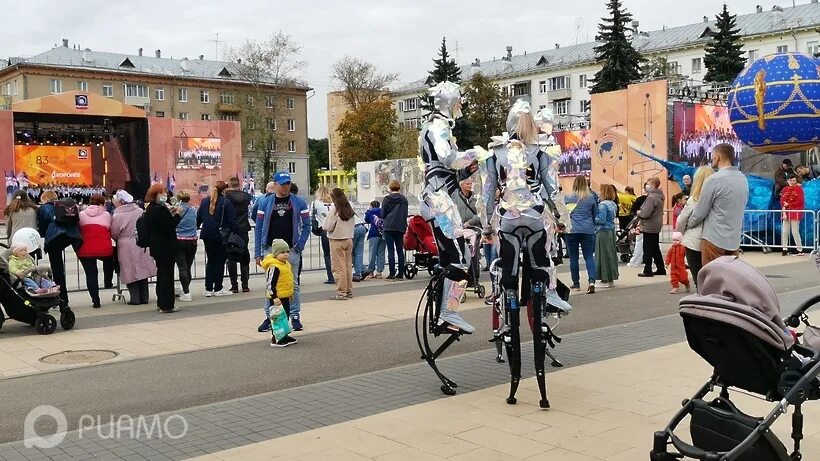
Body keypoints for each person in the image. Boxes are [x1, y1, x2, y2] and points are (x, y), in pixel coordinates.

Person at [254, 171, 310, 332]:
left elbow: (307, 225)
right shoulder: (265, 202)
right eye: (282, 184)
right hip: (270, 250)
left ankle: (295, 316)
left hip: (291, 250)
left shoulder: (298, 201)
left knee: (293, 284)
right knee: (271, 285)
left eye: (288, 184)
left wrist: (299, 246)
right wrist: (257, 252)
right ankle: (269, 317)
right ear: (275, 184)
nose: (286, 187)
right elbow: (258, 227)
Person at [686, 143, 749, 266]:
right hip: (734, 240)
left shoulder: (713, 180)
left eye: (713, 156)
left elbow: (700, 212)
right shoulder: (743, 179)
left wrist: (688, 224)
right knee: (729, 276)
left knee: (712, 276)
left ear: (718, 156)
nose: (712, 159)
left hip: (714, 239)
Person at [36, 190, 83, 307]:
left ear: (45, 199)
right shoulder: (64, 207)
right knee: (62, 268)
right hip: (73, 236)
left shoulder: (44, 207)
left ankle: (61, 299)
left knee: (57, 270)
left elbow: (42, 228)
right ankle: (64, 299)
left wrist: (44, 235)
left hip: (55, 238)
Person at [110, 190, 156, 305]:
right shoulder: (140, 211)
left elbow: (114, 233)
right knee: (142, 269)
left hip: (125, 244)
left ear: (121, 202)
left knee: (129, 270)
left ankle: (135, 298)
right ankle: (144, 297)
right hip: (141, 242)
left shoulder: (117, 215)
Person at [144, 184, 182, 313]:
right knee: (167, 275)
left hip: (156, 245)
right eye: (162, 192)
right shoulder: (160, 209)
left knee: (162, 273)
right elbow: (168, 226)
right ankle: (167, 305)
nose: (165, 195)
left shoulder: (151, 208)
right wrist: (178, 215)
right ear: (156, 195)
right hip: (166, 245)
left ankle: (161, 302)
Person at [675, 166, 715, 288]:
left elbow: (681, 220)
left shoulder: (694, 199)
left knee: (699, 279)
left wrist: (683, 231)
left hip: (694, 241)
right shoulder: (718, 199)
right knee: (712, 278)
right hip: (714, 240)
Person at [197, 181, 235, 297]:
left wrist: (197, 227)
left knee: (210, 260)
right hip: (220, 235)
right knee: (219, 261)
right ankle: (218, 288)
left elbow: (199, 217)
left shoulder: (205, 201)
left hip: (207, 234)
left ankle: (208, 288)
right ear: (224, 190)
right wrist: (236, 233)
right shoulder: (226, 202)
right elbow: (232, 221)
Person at [77, 194, 114, 308]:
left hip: (85, 248)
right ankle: (108, 282)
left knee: (91, 274)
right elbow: (110, 228)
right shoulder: (107, 214)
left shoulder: (81, 214)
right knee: (109, 260)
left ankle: (95, 300)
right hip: (103, 247)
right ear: (102, 204)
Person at [261, 239, 298, 348]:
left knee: (285, 317)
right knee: (277, 318)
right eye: (282, 252)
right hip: (277, 298)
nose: (286, 254)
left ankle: (284, 335)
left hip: (285, 296)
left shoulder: (286, 264)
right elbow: (270, 284)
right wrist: (274, 297)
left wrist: (290, 293)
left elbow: (288, 280)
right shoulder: (274, 267)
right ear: (276, 253)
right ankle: (276, 338)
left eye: (287, 252)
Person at [564, 176, 598, 294]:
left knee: (573, 258)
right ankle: (592, 281)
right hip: (588, 230)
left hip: (572, 229)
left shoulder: (568, 197)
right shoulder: (591, 197)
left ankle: (576, 283)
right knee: (589, 256)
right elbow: (595, 214)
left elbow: (565, 214)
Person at [323, 188, 356, 300]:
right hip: (348, 238)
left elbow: (327, 226)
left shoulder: (335, 208)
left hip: (337, 239)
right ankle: (348, 289)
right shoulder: (350, 206)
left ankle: (341, 291)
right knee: (347, 266)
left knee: (338, 267)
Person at [224, 176, 252, 293]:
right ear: (239, 184)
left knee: (231, 257)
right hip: (243, 228)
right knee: (244, 256)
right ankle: (245, 285)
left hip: (230, 229)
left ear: (229, 184)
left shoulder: (226, 197)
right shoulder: (247, 196)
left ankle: (234, 285)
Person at [636, 177, 666, 277]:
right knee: (655, 248)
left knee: (648, 248)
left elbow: (646, 213)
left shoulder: (651, 198)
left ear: (653, 185)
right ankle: (661, 268)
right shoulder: (659, 197)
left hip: (649, 225)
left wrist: (639, 213)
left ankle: (647, 269)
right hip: (656, 225)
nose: (647, 185)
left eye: (648, 183)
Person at [382, 179, 409, 281]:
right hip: (400, 226)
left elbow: (383, 214)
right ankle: (400, 273)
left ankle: (392, 273)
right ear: (399, 187)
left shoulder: (386, 199)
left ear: (390, 188)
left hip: (389, 226)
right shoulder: (404, 199)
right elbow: (405, 213)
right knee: (400, 250)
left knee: (390, 251)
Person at [173, 190, 197, 302]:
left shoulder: (176, 210)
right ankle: (185, 290)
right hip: (192, 241)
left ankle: (186, 292)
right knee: (188, 267)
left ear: (178, 199)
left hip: (179, 240)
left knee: (182, 267)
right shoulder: (193, 210)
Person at [594, 184, 619, 288]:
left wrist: (591, 218)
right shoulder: (613, 204)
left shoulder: (602, 205)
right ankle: (611, 278)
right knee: (610, 255)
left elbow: (601, 220)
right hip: (611, 231)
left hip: (603, 231)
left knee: (602, 256)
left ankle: (605, 279)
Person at [311, 184, 335, 285]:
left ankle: (331, 277)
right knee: (336, 254)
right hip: (335, 230)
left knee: (327, 254)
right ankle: (339, 275)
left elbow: (312, 216)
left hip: (324, 229)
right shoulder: (334, 203)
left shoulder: (315, 203)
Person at [780, 174, 805, 256]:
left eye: (794, 180)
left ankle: (800, 249)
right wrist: (784, 212)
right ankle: (784, 248)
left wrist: (789, 204)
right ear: (787, 181)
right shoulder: (784, 189)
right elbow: (782, 201)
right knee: (785, 231)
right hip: (786, 212)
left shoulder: (799, 189)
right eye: (790, 180)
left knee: (795, 231)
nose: (792, 182)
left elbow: (800, 201)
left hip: (795, 212)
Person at [364, 200, 386, 279]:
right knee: (381, 254)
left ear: (371, 205)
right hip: (383, 234)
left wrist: (368, 210)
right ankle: (379, 272)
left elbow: (366, 220)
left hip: (373, 234)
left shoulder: (369, 212)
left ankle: (371, 271)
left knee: (372, 253)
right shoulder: (383, 211)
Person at [351, 211, 369, 282]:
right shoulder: (350, 210)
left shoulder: (340, 210)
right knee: (359, 253)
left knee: (350, 252)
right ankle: (363, 270)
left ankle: (358, 274)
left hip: (353, 228)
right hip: (361, 227)